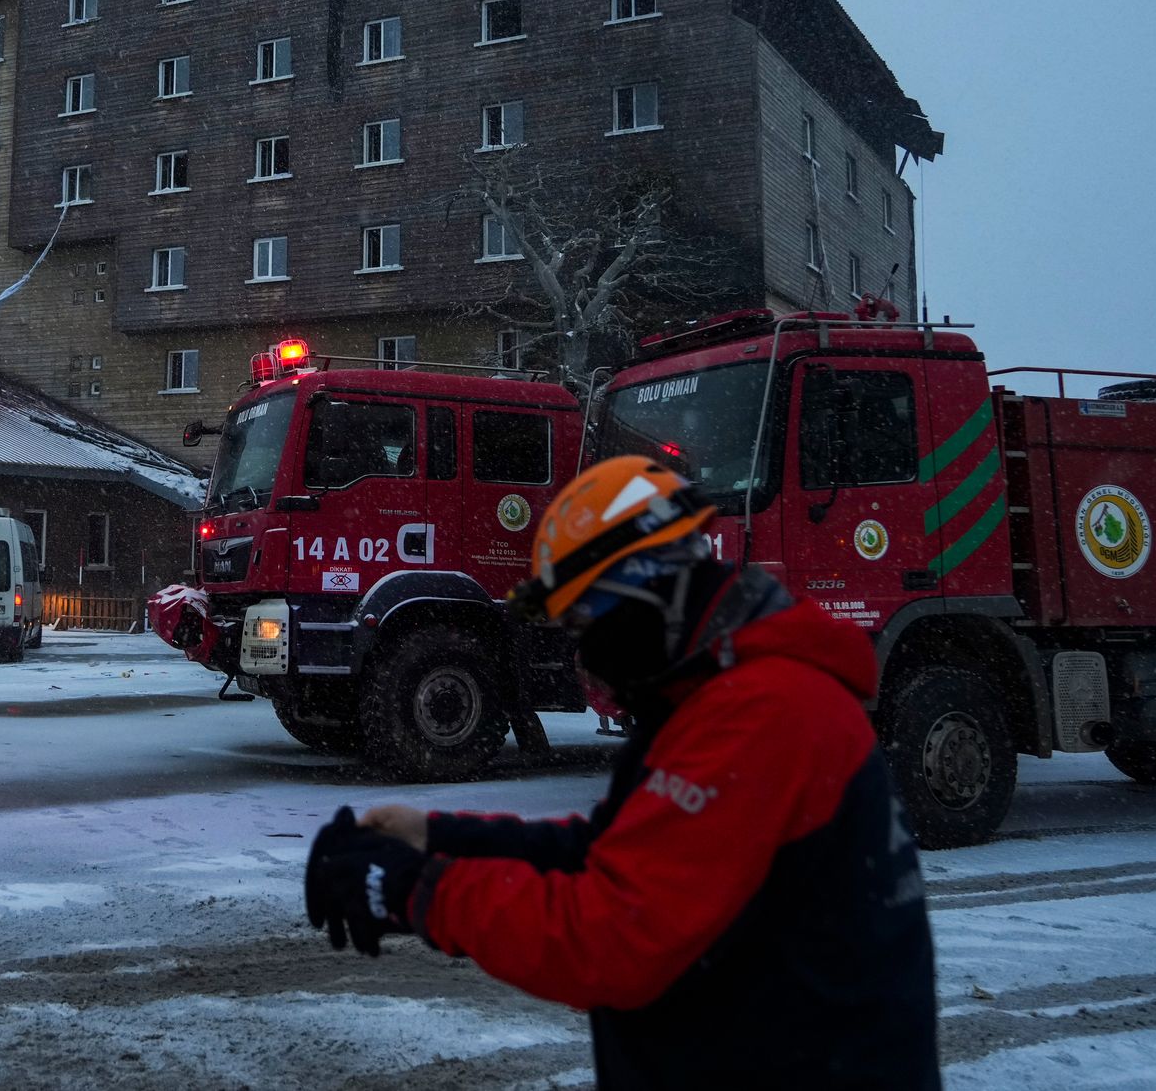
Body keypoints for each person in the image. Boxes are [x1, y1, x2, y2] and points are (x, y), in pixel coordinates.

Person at [304, 455, 940, 1089]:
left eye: (586, 621)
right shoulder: (708, 696)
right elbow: (610, 852)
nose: (585, 652)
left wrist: (417, 890)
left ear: (643, 589)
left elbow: (612, 938)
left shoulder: (761, 712)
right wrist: (438, 839)